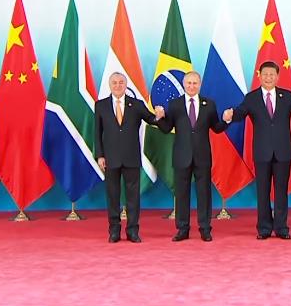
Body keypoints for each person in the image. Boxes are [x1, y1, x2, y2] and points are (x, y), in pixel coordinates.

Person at [223, 61, 291, 240]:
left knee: (281, 191)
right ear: (259, 76)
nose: (268, 78)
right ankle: (264, 228)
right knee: (263, 192)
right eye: (265, 74)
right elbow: (240, 112)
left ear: (277, 77)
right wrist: (231, 115)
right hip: (262, 152)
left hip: (283, 151)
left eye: (272, 75)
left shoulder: (286, 96)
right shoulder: (251, 98)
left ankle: (281, 228)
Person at [155, 71, 228, 242]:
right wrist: (159, 118)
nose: (192, 86)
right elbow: (166, 128)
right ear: (184, 84)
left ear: (200, 85)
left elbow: (216, 128)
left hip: (202, 156)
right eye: (189, 83)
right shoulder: (175, 104)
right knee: (181, 194)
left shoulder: (209, 104)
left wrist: (226, 120)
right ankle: (182, 229)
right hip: (182, 156)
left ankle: (205, 228)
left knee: (204, 194)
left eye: (195, 83)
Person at [95, 72, 164, 244]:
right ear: (110, 85)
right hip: (110, 158)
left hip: (131, 157)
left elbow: (151, 119)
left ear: (126, 85)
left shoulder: (137, 104)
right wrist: (100, 155)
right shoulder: (101, 105)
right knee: (112, 196)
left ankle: (133, 231)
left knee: (133, 197)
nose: (118, 85)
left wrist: (159, 115)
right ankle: (114, 231)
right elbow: (97, 133)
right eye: (114, 82)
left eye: (121, 82)